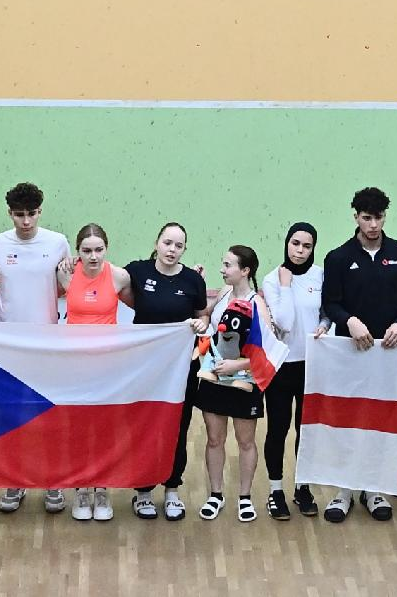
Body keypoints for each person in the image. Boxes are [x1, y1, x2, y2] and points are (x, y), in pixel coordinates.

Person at [320, 186, 397, 523]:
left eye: (378, 218)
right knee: (349, 420)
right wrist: (349, 321)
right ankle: (344, 490)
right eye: (366, 218)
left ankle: (374, 488)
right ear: (356, 217)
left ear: (385, 217)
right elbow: (330, 302)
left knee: (381, 420)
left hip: (388, 354)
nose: (373, 225)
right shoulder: (338, 257)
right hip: (350, 354)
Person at [0, 182, 71, 515]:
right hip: (9, 347)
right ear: (10, 213)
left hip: (48, 346)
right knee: (12, 416)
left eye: (31, 214)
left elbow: (70, 286)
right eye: (19, 214)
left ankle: (52, 482)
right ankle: (15, 480)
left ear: (40, 212)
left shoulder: (58, 243)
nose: (25, 221)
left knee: (47, 414)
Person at [122, 222, 209, 521]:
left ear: (184, 249)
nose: (172, 250)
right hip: (145, 367)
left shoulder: (192, 280)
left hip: (181, 368)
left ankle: (172, 488)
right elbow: (105, 275)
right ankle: (143, 491)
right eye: (167, 243)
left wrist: (200, 324)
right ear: (157, 243)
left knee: (178, 426)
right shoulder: (138, 271)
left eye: (178, 246)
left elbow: (203, 317)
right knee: (145, 425)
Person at [57, 222, 132, 522]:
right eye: (86, 251)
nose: (93, 256)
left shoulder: (119, 276)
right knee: (78, 428)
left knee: (103, 428)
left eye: (99, 250)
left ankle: (102, 489)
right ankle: (81, 489)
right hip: (75, 366)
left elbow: (146, 306)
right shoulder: (65, 273)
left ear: (106, 249)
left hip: (107, 366)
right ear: (77, 252)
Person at [195, 246, 274, 523]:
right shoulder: (224, 293)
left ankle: (244, 497)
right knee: (214, 439)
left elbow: (267, 351)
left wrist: (236, 366)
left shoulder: (257, 304)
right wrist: (202, 322)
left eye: (228, 265)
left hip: (244, 380)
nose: (223, 269)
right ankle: (215, 495)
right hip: (215, 376)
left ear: (245, 271)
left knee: (245, 441)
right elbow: (205, 315)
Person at [259, 222, 328, 520]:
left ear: (313, 248)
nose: (300, 251)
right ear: (287, 243)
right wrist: (286, 285)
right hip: (281, 366)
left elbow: (326, 312)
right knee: (278, 428)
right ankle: (275, 491)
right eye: (295, 244)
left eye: (306, 246)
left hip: (312, 365)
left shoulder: (320, 276)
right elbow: (284, 322)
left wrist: (324, 325)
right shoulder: (272, 279)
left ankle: (302, 487)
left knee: (306, 430)